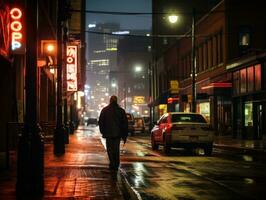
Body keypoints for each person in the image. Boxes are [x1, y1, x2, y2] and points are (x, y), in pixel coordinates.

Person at [98, 95, 128, 171]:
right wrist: (124, 135)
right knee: (116, 149)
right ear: (116, 101)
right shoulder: (121, 111)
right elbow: (125, 124)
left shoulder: (105, 110)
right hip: (117, 134)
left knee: (110, 149)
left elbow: (101, 122)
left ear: (110, 101)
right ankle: (116, 163)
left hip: (108, 134)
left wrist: (102, 131)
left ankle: (112, 163)